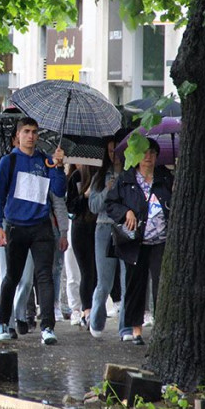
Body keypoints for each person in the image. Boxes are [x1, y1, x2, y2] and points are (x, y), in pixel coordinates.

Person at [0, 117, 67, 345]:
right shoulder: (9, 161)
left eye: (34, 132)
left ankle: (47, 327)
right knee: (12, 276)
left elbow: (59, 190)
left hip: (41, 226)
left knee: (44, 276)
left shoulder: (45, 161)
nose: (31, 136)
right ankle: (3, 321)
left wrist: (59, 167)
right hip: (16, 226)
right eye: (26, 131)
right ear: (18, 135)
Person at [105, 139, 173, 346]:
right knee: (135, 284)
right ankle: (135, 330)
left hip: (161, 240)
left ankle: (163, 328)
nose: (148, 157)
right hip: (135, 240)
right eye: (144, 153)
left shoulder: (165, 178)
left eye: (152, 153)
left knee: (162, 284)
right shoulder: (126, 179)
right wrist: (126, 212)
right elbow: (110, 203)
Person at [88, 137, 125, 338]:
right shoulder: (100, 176)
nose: (114, 155)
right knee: (104, 282)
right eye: (111, 151)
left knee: (128, 280)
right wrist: (106, 191)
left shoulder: (129, 175)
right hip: (104, 228)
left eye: (117, 150)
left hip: (126, 229)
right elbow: (93, 206)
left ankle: (126, 327)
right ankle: (96, 321)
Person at [67, 163, 98, 328]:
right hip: (81, 227)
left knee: (96, 272)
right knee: (87, 272)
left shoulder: (102, 176)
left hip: (98, 226)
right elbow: (71, 206)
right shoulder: (77, 176)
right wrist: (85, 196)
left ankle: (93, 308)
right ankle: (86, 311)